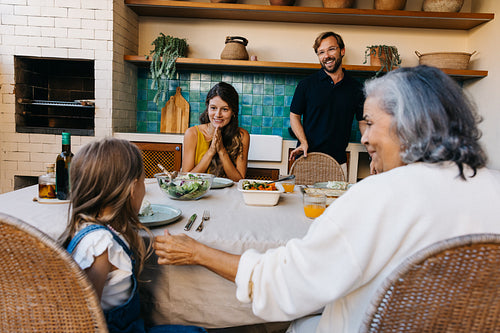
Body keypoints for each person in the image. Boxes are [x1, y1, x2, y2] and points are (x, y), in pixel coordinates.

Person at [153, 65, 500, 333]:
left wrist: (197, 251)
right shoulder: (493, 186)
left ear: (408, 124)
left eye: (369, 123)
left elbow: (284, 283)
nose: (363, 137)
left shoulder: (378, 196)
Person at [58, 138, 206, 333]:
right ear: (132, 189)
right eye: (144, 182)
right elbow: (82, 321)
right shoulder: (99, 246)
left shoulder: (97, 230)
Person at [289, 31, 367, 176]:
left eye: (331, 49)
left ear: (342, 51)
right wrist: (303, 141)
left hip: (337, 162)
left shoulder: (356, 88)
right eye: (321, 52)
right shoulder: (306, 85)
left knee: (336, 200)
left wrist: (373, 154)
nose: (327, 56)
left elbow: (362, 122)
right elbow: (294, 116)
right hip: (307, 159)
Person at [182, 82, 250, 182]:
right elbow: (186, 179)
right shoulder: (192, 134)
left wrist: (221, 150)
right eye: (213, 108)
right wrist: (211, 151)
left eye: (225, 109)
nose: (218, 114)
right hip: (198, 195)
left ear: (233, 112)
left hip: (229, 194)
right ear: (207, 108)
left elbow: (239, 180)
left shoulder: (242, 136)